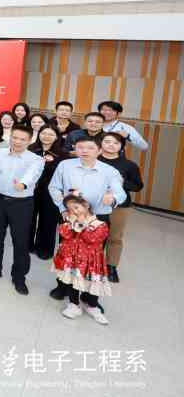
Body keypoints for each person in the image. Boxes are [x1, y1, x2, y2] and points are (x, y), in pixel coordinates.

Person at [47, 137, 126, 307]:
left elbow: (121, 194)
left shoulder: (109, 171)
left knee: (92, 258)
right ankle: (63, 287)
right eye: (80, 147)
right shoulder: (65, 165)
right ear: (75, 149)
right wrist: (63, 209)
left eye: (90, 148)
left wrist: (112, 198)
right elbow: (53, 188)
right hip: (71, 216)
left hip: (96, 220)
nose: (84, 151)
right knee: (66, 254)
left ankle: (89, 294)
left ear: (99, 151)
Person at [0, 124, 44, 295]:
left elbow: (32, 175)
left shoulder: (36, 160)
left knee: (20, 242)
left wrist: (23, 184)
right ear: (10, 137)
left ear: (30, 141)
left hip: (22, 204)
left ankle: (19, 277)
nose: (18, 142)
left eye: (23, 139)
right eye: (15, 137)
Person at [52, 195, 112, 325]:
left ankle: (92, 306)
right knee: (74, 282)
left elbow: (91, 238)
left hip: (91, 263)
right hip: (74, 260)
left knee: (93, 284)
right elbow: (64, 233)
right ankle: (74, 305)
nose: (74, 211)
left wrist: (80, 224)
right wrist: (70, 223)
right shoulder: (71, 222)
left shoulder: (100, 224)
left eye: (76, 207)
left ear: (86, 205)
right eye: (70, 210)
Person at [98, 132, 143, 283]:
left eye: (116, 143)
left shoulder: (129, 165)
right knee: (92, 236)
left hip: (119, 206)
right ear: (101, 143)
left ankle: (111, 267)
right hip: (94, 204)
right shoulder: (93, 160)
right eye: (107, 141)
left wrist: (122, 183)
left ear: (122, 146)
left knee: (114, 237)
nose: (111, 145)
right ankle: (92, 264)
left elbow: (138, 186)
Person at [29, 125, 67, 260]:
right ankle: (28, 245)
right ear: (39, 134)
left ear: (56, 137)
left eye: (51, 134)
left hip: (51, 192)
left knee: (48, 221)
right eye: (43, 133)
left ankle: (44, 249)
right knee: (29, 219)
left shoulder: (62, 154)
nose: (46, 136)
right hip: (30, 190)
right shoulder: (31, 149)